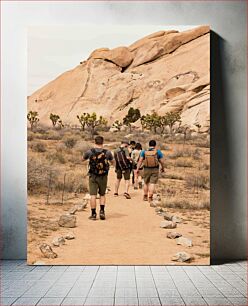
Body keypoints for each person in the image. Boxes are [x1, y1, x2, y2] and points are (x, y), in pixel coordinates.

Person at [83, 136, 114, 220]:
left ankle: (93, 214)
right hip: (103, 176)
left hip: (93, 176)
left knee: (93, 195)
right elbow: (112, 161)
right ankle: (102, 211)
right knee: (102, 194)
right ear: (102, 142)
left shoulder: (90, 152)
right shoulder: (107, 152)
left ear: (95, 142)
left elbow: (82, 159)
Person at [135, 140, 165, 205]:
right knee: (152, 183)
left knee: (146, 182)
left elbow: (140, 161)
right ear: (155, 145)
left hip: (146, 168)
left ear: (149, 145)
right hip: (155, 169)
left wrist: (137, 169)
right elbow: (161, 161)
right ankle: (150, 197)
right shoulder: (158, 152)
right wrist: (163, 168)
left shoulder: (144, 151)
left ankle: (145, 196)